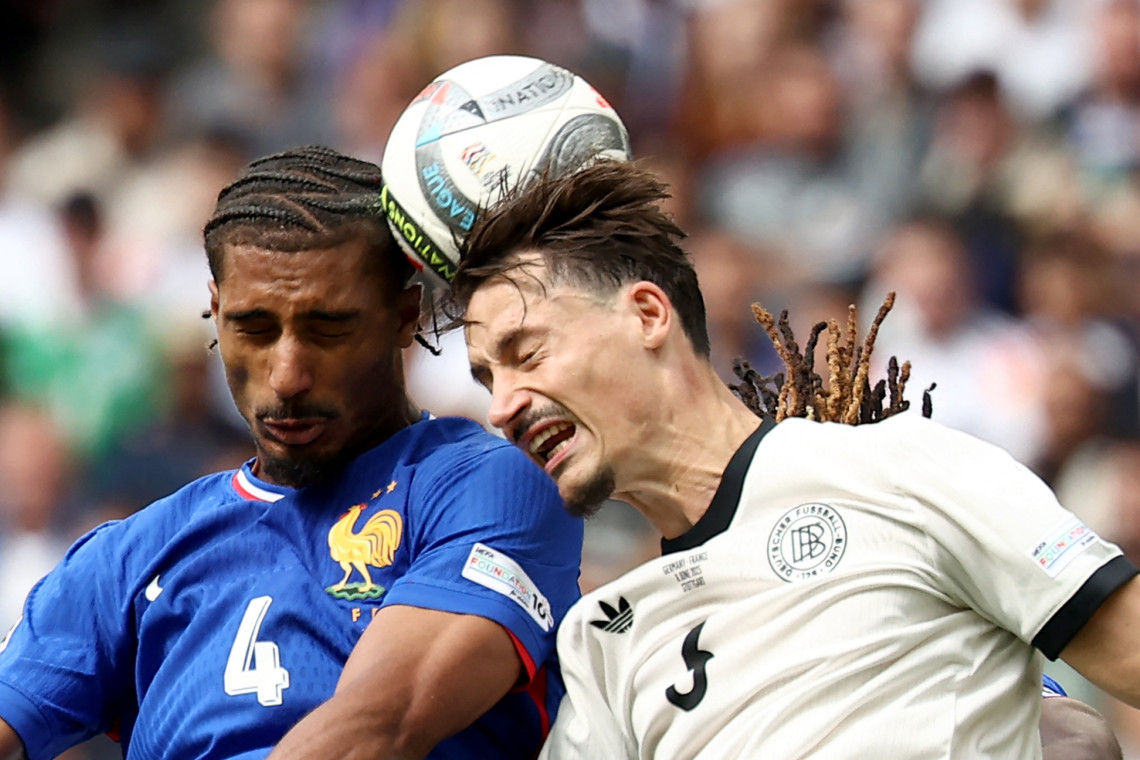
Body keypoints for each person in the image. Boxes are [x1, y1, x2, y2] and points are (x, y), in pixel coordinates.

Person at [448, 159, 1138, 758]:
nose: (502, 406)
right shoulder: (603, 637)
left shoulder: (895, 471)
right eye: (486, 380)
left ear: (648, 315)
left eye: (527, 354)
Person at [0, 145, 583, 760]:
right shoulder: (131, 554)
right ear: (215, 313)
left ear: (404, 318)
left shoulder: (490, 487)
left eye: (328, 329)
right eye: (253, 328)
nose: (287, 376)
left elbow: (379, 726)